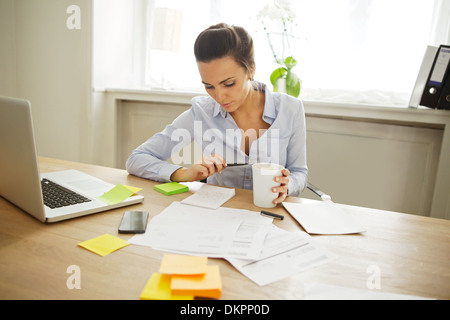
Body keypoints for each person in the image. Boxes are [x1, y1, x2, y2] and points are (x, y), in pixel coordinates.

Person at [126, 23, 308, 205]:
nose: (219, 97)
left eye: (228, 84)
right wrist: (185, 173)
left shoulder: (290, 109)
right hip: (218, 215)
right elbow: (137, 159)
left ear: (250, 70)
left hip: (271, 215)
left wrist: (287, 185)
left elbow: (299, 172)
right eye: (209, 86)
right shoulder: (201, 112)